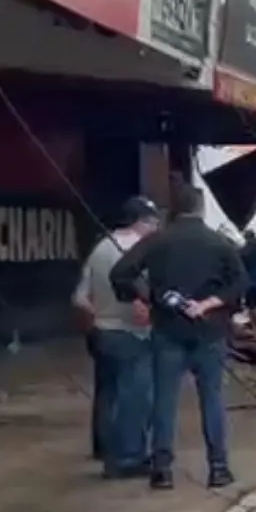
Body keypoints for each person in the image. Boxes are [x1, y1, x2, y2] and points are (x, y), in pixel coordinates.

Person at [110, 183, 248, 490]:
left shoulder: (157, 240)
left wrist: (146, 297)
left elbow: (121, 273)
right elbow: (241, 282)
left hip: (168, 331)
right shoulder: (219, 242)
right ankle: (218, 469)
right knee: (212, 399)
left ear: (173, 209)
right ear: (200, 208)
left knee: (165, 401)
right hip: (210, 332)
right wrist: (209, 304)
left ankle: (162, 471)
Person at [71, 197, 159, 479]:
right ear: (142, 222)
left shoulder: (100, 247)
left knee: (108, 396)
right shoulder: (138, 250)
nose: (157, 229)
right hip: (132, 334)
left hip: (101, 332)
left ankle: (106, 450)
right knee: (135, 398)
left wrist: (100, 313)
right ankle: (128, 458)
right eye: (154, 223)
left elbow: (79, 297)